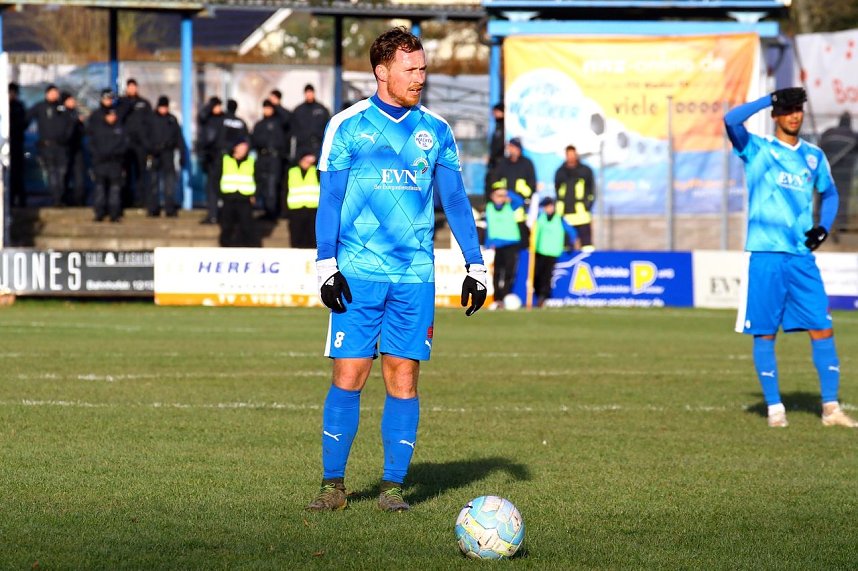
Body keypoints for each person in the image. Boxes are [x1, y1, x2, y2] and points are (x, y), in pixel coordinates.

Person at [307, 27, 487, 513]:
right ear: (381, 71)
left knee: (403, 379)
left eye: (423, 68)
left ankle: (392, 488)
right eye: (411, 69)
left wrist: (476, 264)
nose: (420, 78)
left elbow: (454, 200)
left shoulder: (438, 131)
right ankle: (333, 486)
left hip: (415, 277)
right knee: (349, 376)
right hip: (358, 272)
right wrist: (326, 264)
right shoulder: (347, 126)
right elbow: (331, 199)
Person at [724, 86, 857, 429]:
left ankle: (830, 409)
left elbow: (830, 193)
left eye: (798, 108)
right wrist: (769, 99)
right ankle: (775, 409)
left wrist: (823, 228)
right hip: (765, 256)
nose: (794, 114)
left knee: (823, 329)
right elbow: (730, 119)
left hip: (801, 258)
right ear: (776, 116)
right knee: (765, 334)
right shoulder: (756, 149)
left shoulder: (813, 156)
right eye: (787, 109)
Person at [483, 187, 529, 310]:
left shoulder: (510, 206)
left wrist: (506, 192)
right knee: (497, 273)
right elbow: (489, 226)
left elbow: (519, 201)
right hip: (497, 245)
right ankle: (497, 299)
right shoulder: (489, 208)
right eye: (497, 195)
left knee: (509, 272)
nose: (500, 198)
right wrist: (487, 243)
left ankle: (505, 297)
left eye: (501, 196)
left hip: (511, 243)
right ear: (492, 197)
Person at [27, 84, 71, 206]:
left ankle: (61, 197)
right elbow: (26, 119)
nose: (54, 95)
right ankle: (56, 198)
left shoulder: (62, 108)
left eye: (56, 92)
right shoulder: (40, 107)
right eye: (52, 92)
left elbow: (70, 124)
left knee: (62, 172)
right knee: (51, 172)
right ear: (47, 94)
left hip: (62, 147)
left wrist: (66, 138)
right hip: (47, 146)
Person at [533, 197, 579, 307]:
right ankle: (538, 294)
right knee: (537, 275)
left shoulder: (560, 219)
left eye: (548, 206)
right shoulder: (540, 218)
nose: (547, 209)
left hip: (553, 251)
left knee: (547, 275)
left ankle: (543, 297)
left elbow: (571, 231)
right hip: (540, 250)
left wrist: (572, 243)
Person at [145, 96, 187, 217]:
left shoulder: (172, 120)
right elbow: (145, 136)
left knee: (169, 183)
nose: (163, 109)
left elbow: (179, 138)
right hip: (154, 154)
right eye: (162, 107)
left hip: (168, 154)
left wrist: (182, 154)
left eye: (165, 107)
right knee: (153, 182)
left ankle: (170, 208)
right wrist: (151, 148)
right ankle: (153, 208)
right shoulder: (151, 119)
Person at [215, 136, 258, 247]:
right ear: (235, 147)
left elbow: (258, 180)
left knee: (247, 226)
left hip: (245, 198)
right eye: (241, 147)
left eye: (245, 148)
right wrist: (220, 194)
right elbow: (216, 178)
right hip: (229, 198)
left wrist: (254, 195)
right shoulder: (225, 160)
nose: (244, 150)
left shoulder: (251, 161)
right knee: (227, 226)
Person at [819, 112, 858, 232]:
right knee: (842, 198)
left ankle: (820, 222)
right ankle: (841, 225)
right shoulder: (853, 136)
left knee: (824, 195)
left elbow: (819, 148)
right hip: (845, 173)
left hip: (828, 169)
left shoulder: (828, 132)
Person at [117, 78, 152, 207]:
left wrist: (148, 142)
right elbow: (118, 118)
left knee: (141, 173)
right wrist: (127, 104)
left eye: (134, 87)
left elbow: (150, 123)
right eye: (129, 87)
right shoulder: (121, 102)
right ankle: (126, 200)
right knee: (125, 173)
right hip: (126, 144)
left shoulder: (144, 103)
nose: (132, 89)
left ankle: (141, 200)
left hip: (140, 144)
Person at [88, 106, 128, 222]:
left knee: (115, 190)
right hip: (100, 163)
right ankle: (99, 213)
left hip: (115, 163)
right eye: (110, 115)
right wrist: (98, 155)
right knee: (100, 189)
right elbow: (92, 145)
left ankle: (114, 214)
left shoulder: (120, 129)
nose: (112, 117)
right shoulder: (98, 129)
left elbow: (124, 145)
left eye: (114, 115)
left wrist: (115, 154)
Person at [251, 99, 288, 220]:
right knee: (262, 185)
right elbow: (254, 141)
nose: (267, 110)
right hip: (262, 157)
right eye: (265, 107)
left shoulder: (279, 123)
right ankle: (267, 210)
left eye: (270, 108)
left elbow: (288, 118)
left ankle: (273, 212)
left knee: (272, 185)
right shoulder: (259, 125)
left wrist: (277, 105)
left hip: (274, 158)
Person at [555, 144, 596, 251]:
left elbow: (591, 190)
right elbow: (558, 190)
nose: (571, 157)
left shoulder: (585, 171)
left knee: (586, 245)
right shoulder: (560, 172)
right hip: (566, 215)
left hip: (581, 214)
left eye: (573, 154)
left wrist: (588, 205)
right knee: (566, 244)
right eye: (568, 155)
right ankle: (565, 267)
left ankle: (588, 264)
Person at [197, 96, 226, 224]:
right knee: (211, 188)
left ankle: (221, 214)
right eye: (215, 106)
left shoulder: (225, 119)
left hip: (222, 159)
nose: (218, 109)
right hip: (211, 159)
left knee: (220, 188)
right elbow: (201, 116)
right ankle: (213, 214)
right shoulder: (207, 119)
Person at [285, 152, 320, 248]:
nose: (307, 162)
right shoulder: (291, 171)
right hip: (295, 210)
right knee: (296, 237)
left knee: (312, 238)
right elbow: (284, 191)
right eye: (305, 159)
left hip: (313, 210)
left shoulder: (317, 171)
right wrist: (285, 210)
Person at [488, 137, 536, 206]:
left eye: (513, 147)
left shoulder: (527, 163)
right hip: (504, 201)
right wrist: (501, 193)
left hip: (521, 202)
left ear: (519, 149)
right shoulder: (502, 163)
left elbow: (531, 185)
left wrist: (517, 196)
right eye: (510, 146)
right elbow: (494, 179)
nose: (511, 149)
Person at [291, 83, 331, 159]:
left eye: (311, 92)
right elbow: (293, 128)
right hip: (302, 146)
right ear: (304, 94)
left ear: (314, 93)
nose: (309, 95)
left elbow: (327, 127)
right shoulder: (298, 110)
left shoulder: (322, 109)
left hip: (317, 146)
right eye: (307, 93)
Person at [61, 92, 87, 206]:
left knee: (79, 175)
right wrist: (75, 121)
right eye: (70, 100)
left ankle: (79, 200)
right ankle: (63, 199)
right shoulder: (62, 115)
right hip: (64, 149)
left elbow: (83, 131)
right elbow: (66, 133)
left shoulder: (75, 114)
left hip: (77, 148)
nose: (73, 102)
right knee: (64, 175)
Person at [8, 83, 28, 207]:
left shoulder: (18, 107)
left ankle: (20, 201)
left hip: (16, 145)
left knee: (17, 174)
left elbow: (22, 124)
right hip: (6, 144)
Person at [267, 88, 293, 164]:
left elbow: (287, 120)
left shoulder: (283, 113)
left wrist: (277, 106)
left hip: (281, 153)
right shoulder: (270, 115)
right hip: (268, 152)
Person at [485, 102, 505, 195]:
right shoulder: (497, 127)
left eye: (496, 112)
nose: (494, 115)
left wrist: (493, 157)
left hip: (499, 162)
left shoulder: (504, 127)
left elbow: (499, 145)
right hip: (494, 162)